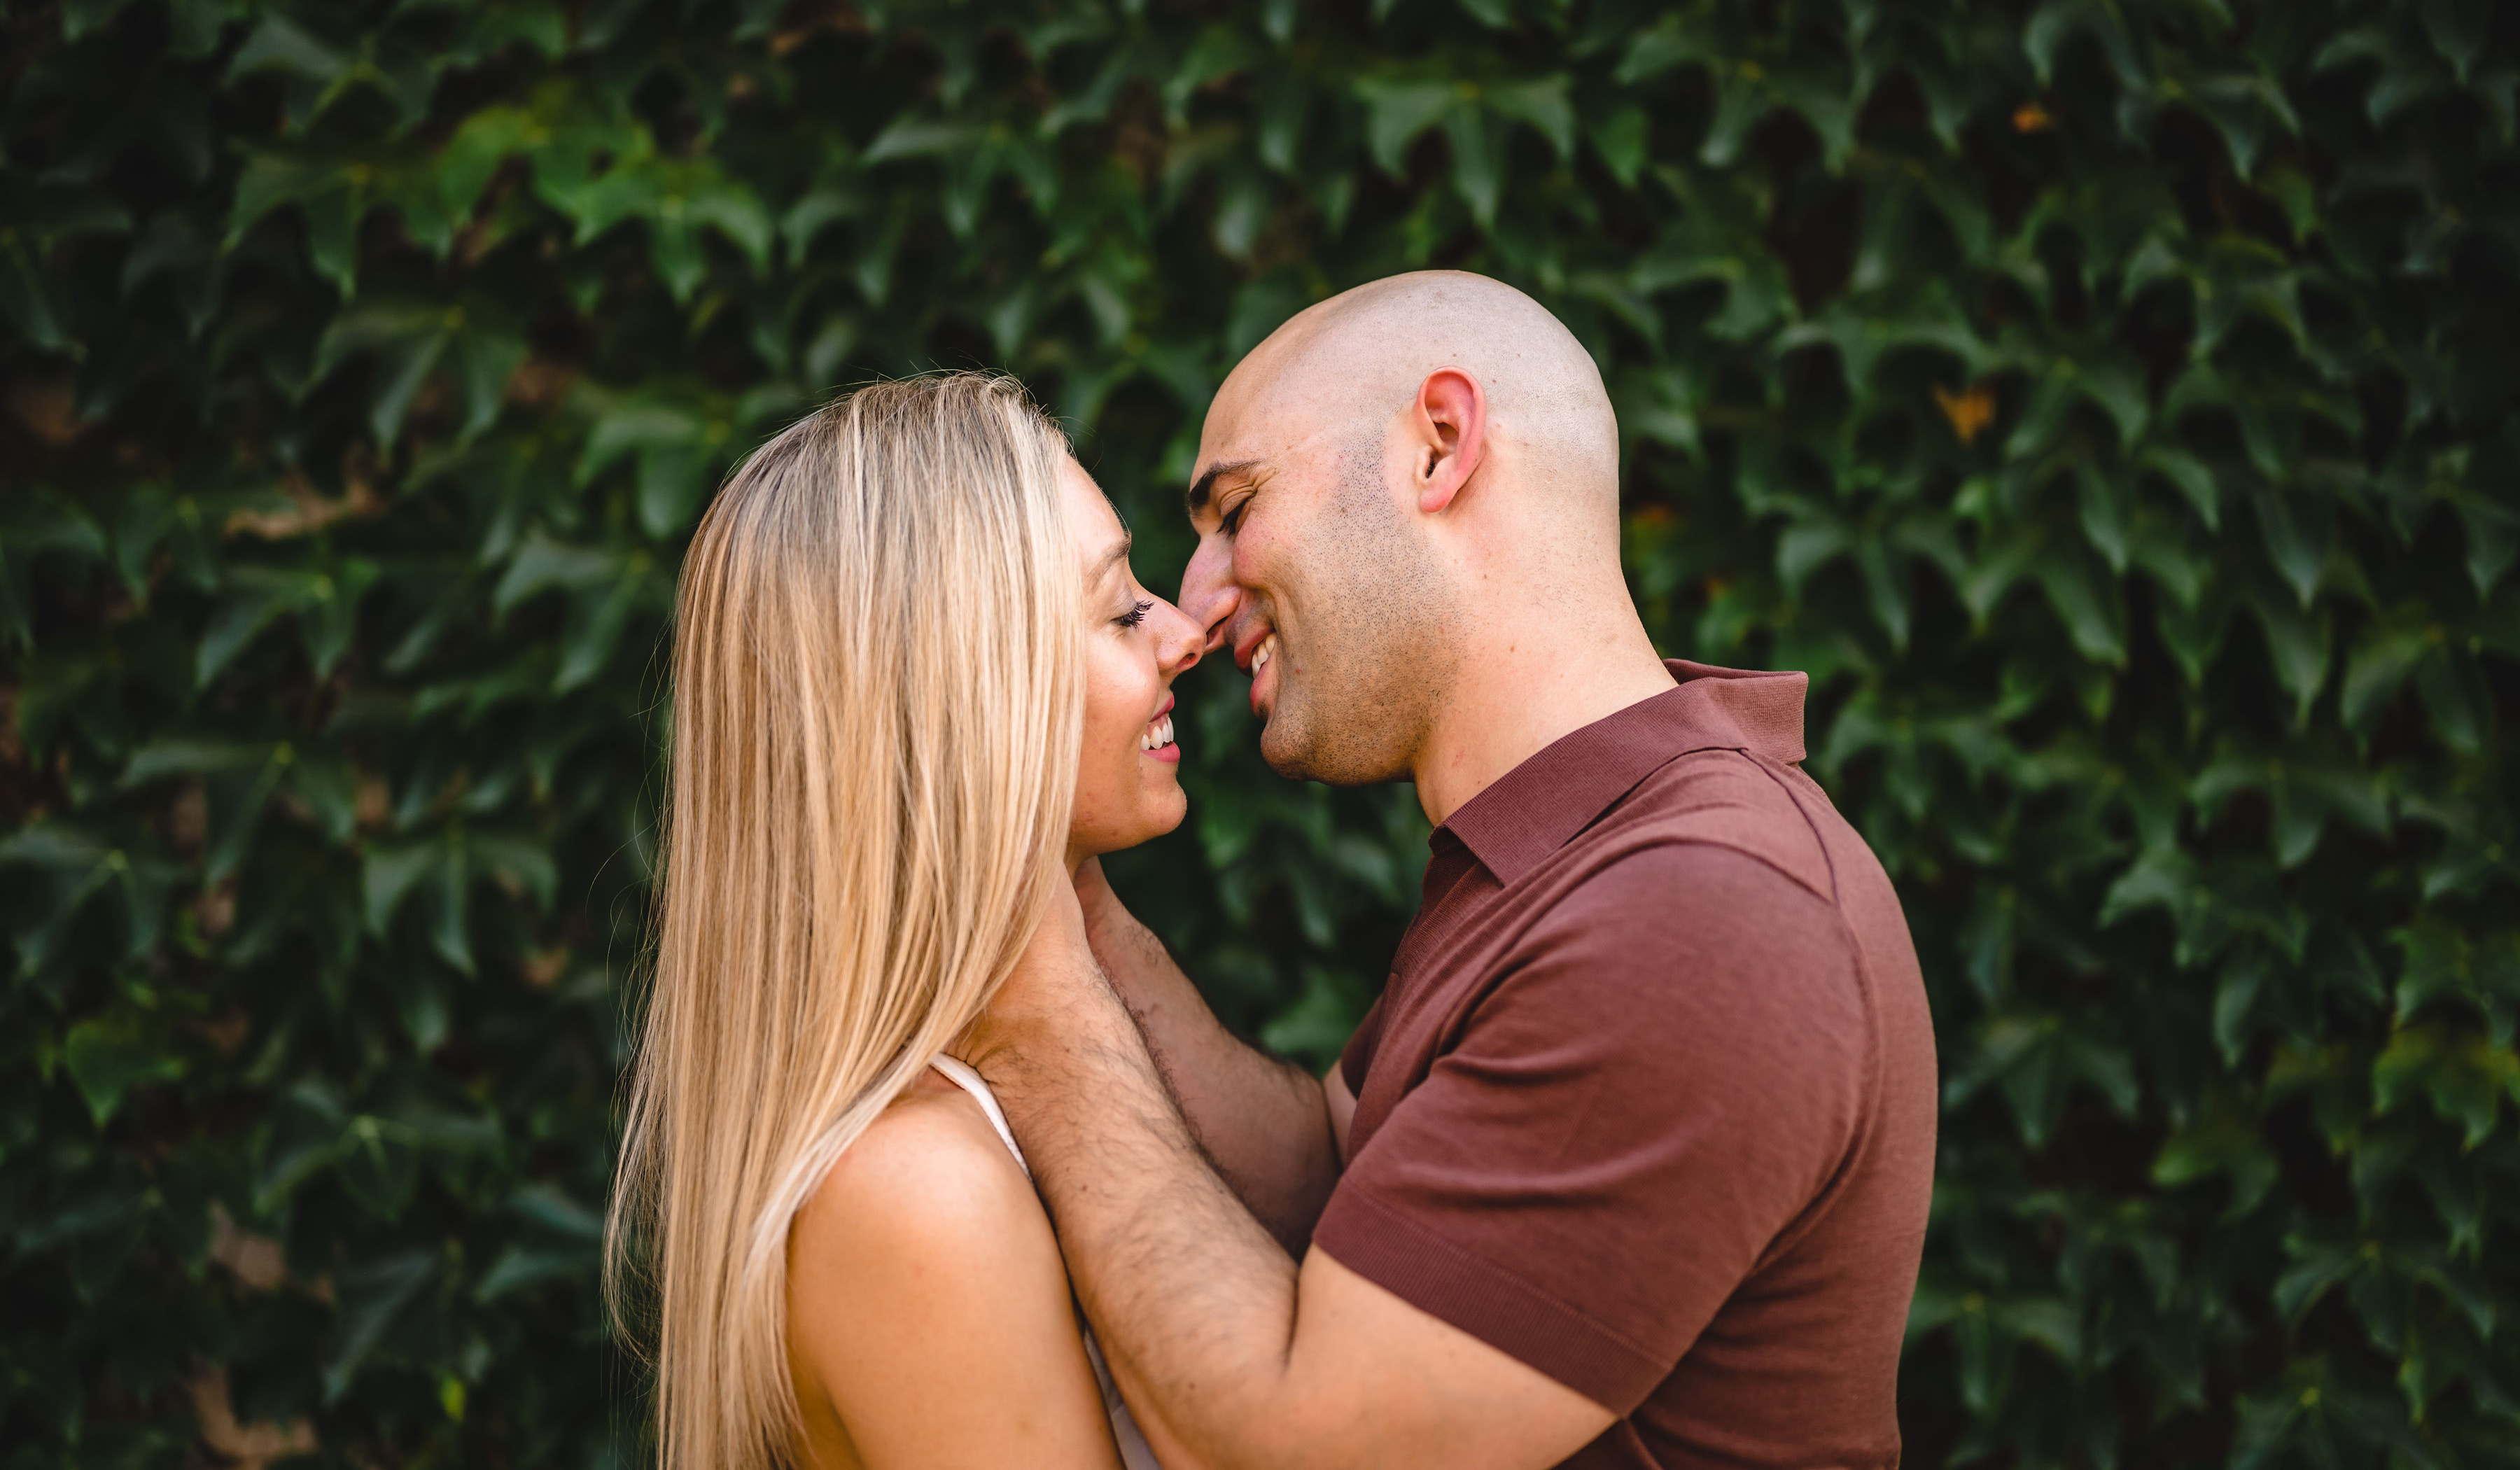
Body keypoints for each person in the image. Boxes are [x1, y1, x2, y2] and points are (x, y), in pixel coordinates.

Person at [966, 271, 1940, 1470]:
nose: (1199, 604)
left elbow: (1303, 1449)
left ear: (1439, 444)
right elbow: (1334, 1184)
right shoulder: (1570, 854)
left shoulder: (1702, 913)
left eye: (1236, 509)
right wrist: (1076, 912)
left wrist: (1039, 1023)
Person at [606, 372, 1198, 1469]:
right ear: (967, 697)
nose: (1186, 631)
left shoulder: (979, 1111)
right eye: (1121, 610)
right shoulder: (921, 1193)